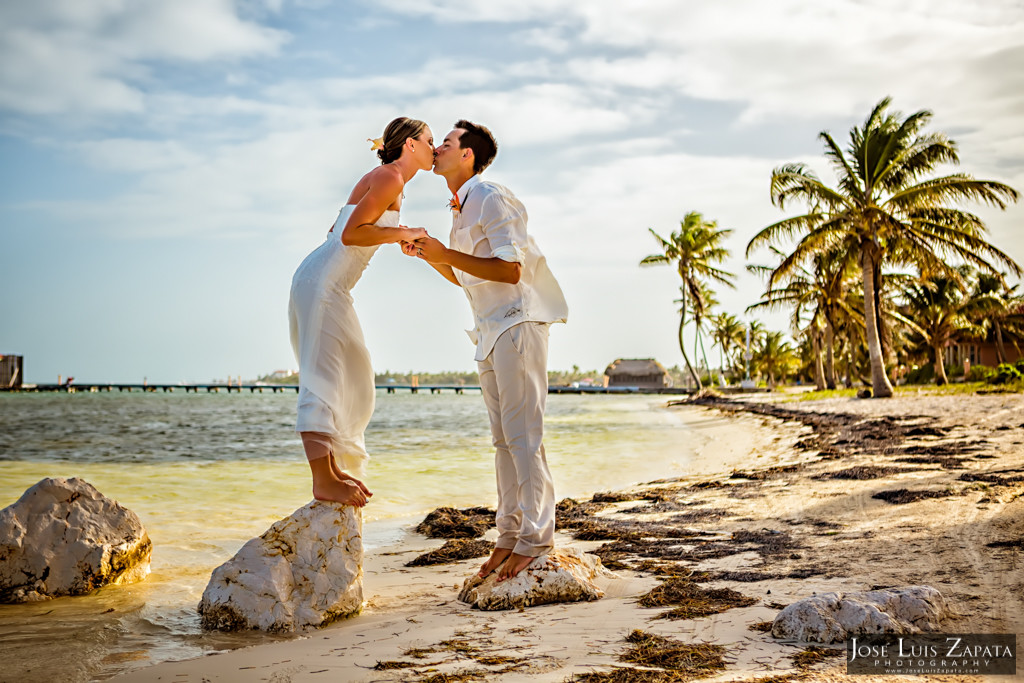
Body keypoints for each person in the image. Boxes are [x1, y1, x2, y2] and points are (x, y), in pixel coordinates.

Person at [405, 120, 568, 580]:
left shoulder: (491, 196)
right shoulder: (460, 208)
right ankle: (508, 535)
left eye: (447, 143)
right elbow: (465, 277)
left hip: (518, 323)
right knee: (503, 441)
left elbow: (511, 270)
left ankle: (536, 540)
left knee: (524, 437)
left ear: (467, 156)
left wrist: (444, 251)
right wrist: (430, 255)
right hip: (489, 330)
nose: (436, 147)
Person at [289, 117, 434, 506]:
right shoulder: (391, 177)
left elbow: (344, 230)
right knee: (325, 374)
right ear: (411, 145)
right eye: (430, 140)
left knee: (350, 371)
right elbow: (352, 233)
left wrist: (393, 237)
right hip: (323, 285)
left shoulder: (385, 177)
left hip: (323, 280)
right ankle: (323, 480)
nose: (435, 149)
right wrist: (402, 233)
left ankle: (333, 470)